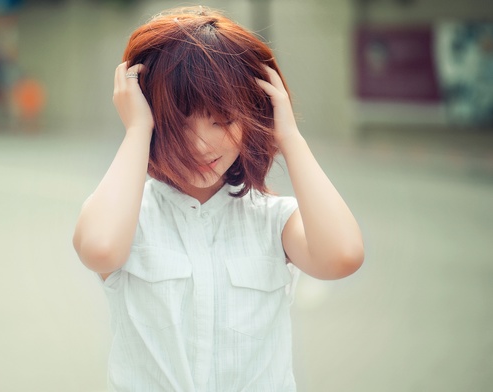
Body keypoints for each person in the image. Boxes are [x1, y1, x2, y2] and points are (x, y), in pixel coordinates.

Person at [73, 6, 364, 391]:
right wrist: (136, 130)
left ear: (252, 117)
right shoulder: (130, 217)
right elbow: (99, 249)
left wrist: (290, 137)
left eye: (222, 120)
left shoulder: (274, 222)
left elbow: (342, 256)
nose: (200, 143)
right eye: (180, 121)